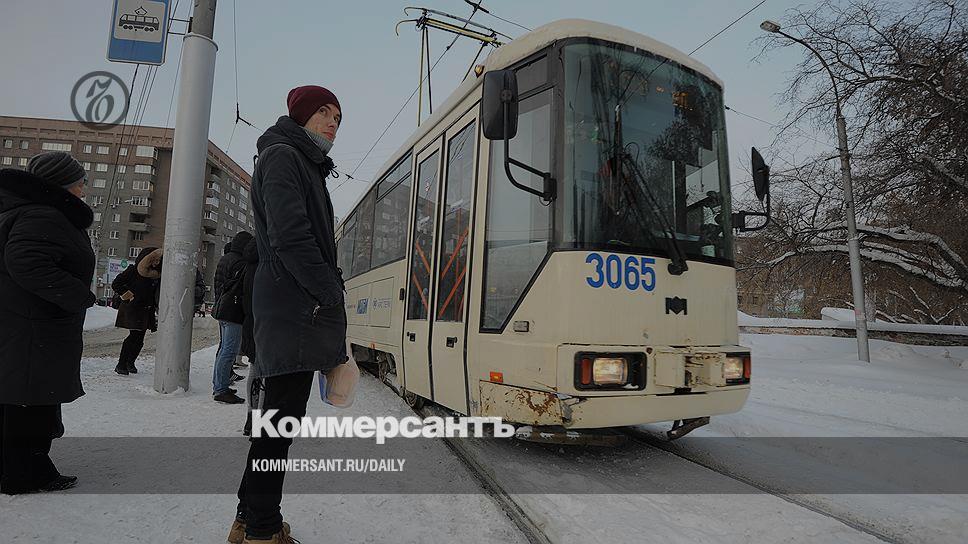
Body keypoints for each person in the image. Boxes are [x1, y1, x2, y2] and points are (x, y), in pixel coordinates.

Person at [228, 86, 348, 544]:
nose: (332, 122)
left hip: (292, 303)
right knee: (279, 426)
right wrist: (329, 291)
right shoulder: (284, 156)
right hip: (294, 306)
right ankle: (263, 529)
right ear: (300, 115)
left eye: (338, 117)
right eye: (323, 112)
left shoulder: (299, 160)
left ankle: (248, 521)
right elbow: (291, 236)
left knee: (275, 425)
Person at [0, 152, 95, 494]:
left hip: (25, 323)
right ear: (62, 184)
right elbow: (25, 261)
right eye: (80, 181)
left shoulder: (26, 209)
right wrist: (78, 295)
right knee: (30, 402)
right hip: (34, 326)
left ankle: (23, 468)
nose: (83, 187)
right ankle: (24, 474)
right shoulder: (44, 214)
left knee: (22, 399)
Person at [212, 230, 253, 404]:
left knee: (223, 349)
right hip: (233, 312)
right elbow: (243, 288)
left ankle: (219, 385)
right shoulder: (240, 262)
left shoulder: (226, 258)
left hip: (223, 308)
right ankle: (221, 390)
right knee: (229, 351)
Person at [111, 246, 163, 375]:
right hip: (133, 308)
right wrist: (128, 296)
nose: (156, 263)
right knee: (134, 336)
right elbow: (116, 283)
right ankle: (121, 364)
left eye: (158, 261)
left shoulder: (157, 274)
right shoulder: (133, 270)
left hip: (147, 309)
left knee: (139, 338)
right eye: (154, 260)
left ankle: (130, 362)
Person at [239, 238, 261, 436]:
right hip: (268, 324)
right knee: (267, 375)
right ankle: (259, 423)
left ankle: (251, 418)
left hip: (250, 322)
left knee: (255, 370)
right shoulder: (270, 258)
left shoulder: (249, 262)